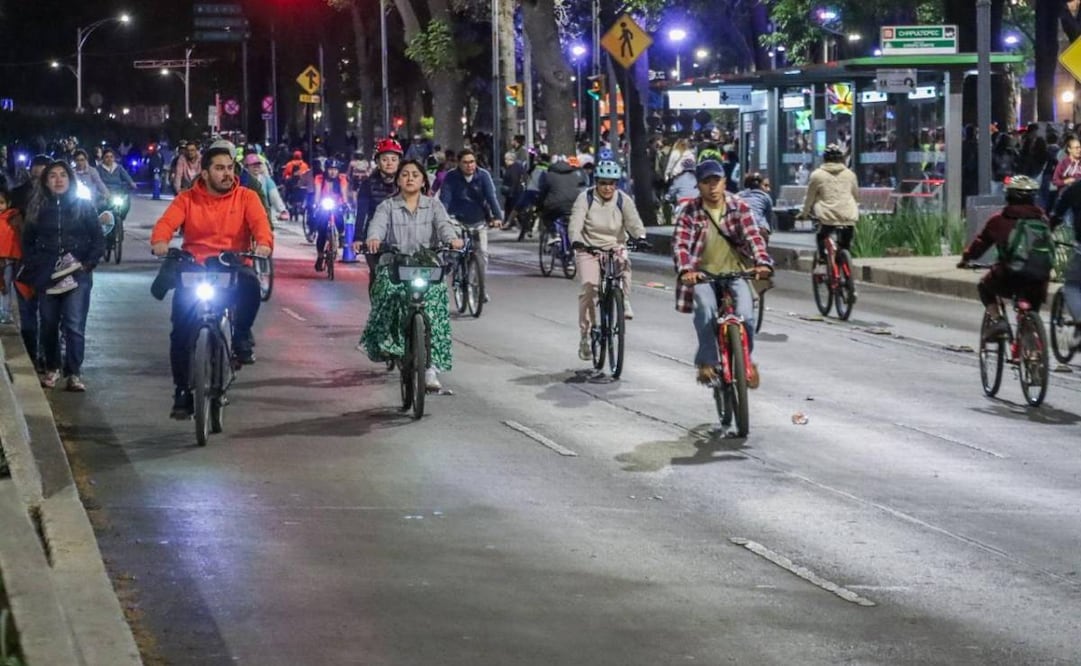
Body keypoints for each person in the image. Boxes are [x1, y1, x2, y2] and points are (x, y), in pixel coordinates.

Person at [150, 144, 274, 419]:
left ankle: (241, 334)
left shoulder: (247, 197)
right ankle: (182, 390)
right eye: (219, 169)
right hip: (194, 266)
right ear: (204, 173)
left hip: (233, 265)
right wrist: (160, 241)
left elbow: (261, 226)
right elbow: (167, 223)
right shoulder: (187, 198)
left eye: (230, 168)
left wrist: (264, 244)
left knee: (251, 284)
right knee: (180, 331)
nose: (227, 174)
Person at [357, 160, 463, 391]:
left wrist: (452, 239)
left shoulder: (434, 207)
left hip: (427, 265)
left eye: (415, 174)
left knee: (436, 305)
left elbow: (445, 227)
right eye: (405, 174)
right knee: (386, 293)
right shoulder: (387, 206)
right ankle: (387, 344)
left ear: (424, 180)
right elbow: (376, 226)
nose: (410, 178)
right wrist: (373, 239)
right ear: (398, 180)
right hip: (396, 263)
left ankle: (430, 368)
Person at [672, 159, 772, 388]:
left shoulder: (739, 207)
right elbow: (680, 245)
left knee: (746, 316)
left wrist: (762, 262)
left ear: (724, 182)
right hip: (702, 275)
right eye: (706, 182)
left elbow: (753, 237)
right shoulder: (690, 211)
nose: (712, 187)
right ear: (698, 185)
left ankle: (747, 361)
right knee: (705, 311)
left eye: (716, 181)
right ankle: (707, 362)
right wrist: (687, 270)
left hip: (736, 273)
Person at [19, 160, 105, 392]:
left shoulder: (83, 206)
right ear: (46, 181)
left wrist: (87, 265)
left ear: (70, 179)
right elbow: (27, 242)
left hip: (77, 275)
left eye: (63, 175)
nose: (58, 180)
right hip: (47, 274)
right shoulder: (38, 208)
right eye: (53, 176)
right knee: (47, 323)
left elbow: (98, 240)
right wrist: (35, 264)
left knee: (74, 324)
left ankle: (74, 373)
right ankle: (52, 368)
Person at [568, 160, 647, 360]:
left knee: (624, 265)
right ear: (596, 183)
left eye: (612, 183)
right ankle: (585, 335)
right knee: (590, 286)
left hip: (614, 245)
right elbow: (575, 223)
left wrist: (641, 237)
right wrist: (576, 240)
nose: (607, 188)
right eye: (603, 183)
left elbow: (634, 222)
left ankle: (623, 299)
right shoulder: (585, 198)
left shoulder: (623, 200)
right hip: (588, 247)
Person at [960, 175, 1055, 341]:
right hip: (1040, 277)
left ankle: (997, 320)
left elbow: (980, 243)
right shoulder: (1043, 219)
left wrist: (966, 259)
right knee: (1032, 307)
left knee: (984, 286)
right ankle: (1033, 350)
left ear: (1008, 195)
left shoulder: (999, 220)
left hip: (1010, 274)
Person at [439, 148, 503, 299]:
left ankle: (479, 286)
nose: (469, 166)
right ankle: (457, 272)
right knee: (456, 251)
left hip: (478, 219)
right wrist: (443, 218)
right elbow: (445, 200)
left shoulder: (484, 176)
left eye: (472, 162)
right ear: (459, 164)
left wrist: (497, 217)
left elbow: (491, 198)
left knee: (482, 254)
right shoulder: (451, 177)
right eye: (465, 163)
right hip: (457, 219)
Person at [799, 143, 859, 264]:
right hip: (848, 216)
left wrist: (804, 213)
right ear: (841, 159)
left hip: (827, 216)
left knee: (821, 236)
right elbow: (856, 196)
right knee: (845, 245)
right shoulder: (850, 174)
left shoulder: (817, 175)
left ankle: (822, 260)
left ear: (824, 159)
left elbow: (809, 198)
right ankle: (844, 266)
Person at [357, 138, 403, 292]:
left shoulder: (408, 182)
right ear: (377, 162)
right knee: (378, 276)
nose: (389, 163)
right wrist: (357, 238)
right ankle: (378, 310)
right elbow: (361, 212)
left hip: (404, 236)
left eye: (393, 159)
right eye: (384, 159)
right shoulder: (368, 184)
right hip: (375, 238)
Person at [312, 159, 354, 271]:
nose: (333, 172)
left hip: (337, 204)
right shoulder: (319, 178)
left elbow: (344, 194)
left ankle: (341, 235)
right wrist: (316, 204)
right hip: (324, 204)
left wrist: (345, 204)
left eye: (335, 170)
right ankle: (320, 257)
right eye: (330, 169)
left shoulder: (342, 179)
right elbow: (317, 194)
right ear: (326, 170)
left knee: (340, 220)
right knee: (321, 230)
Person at [536, 155, 585, 239]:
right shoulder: (574, 175)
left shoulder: (548, 176)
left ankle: (554, 235)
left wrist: (539, 207)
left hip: (555, 205)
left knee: (547, 217)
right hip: (574, 203)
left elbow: (542, 193)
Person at [0, 188, 23, 324]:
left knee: (5, 287)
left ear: (8, 204)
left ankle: (5, 313)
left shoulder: (12, 219)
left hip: (7, 261)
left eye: (1, 203)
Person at [737, 172, 775, 239]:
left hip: (741, 229)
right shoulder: (766, 197)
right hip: (759, 229)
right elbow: (769, 217)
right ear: (759, 185)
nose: (768, 189)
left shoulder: (739, 195)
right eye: (765, 185)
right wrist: (770, 230)